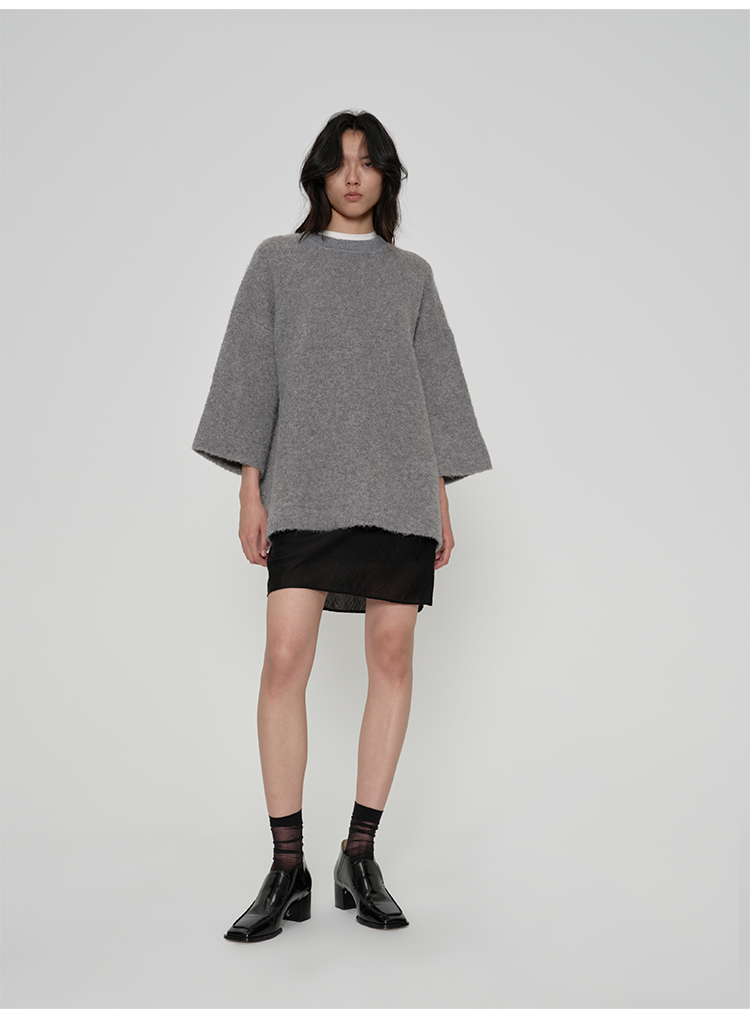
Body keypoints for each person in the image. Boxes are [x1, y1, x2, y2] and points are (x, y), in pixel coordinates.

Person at [192, 110, 492, 942]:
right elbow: (250, 375)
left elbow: (438, 389)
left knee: (391, 658)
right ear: (318, 174)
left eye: (368, 163)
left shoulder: (412, 275)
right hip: (307, 485)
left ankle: (359, 856)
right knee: (284, 659)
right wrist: (251, 490)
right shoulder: (278, 262)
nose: (353, 177)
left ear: (386, 177)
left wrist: (439, 498)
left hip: (398, 488)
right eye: (339, 162)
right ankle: (286, 866)